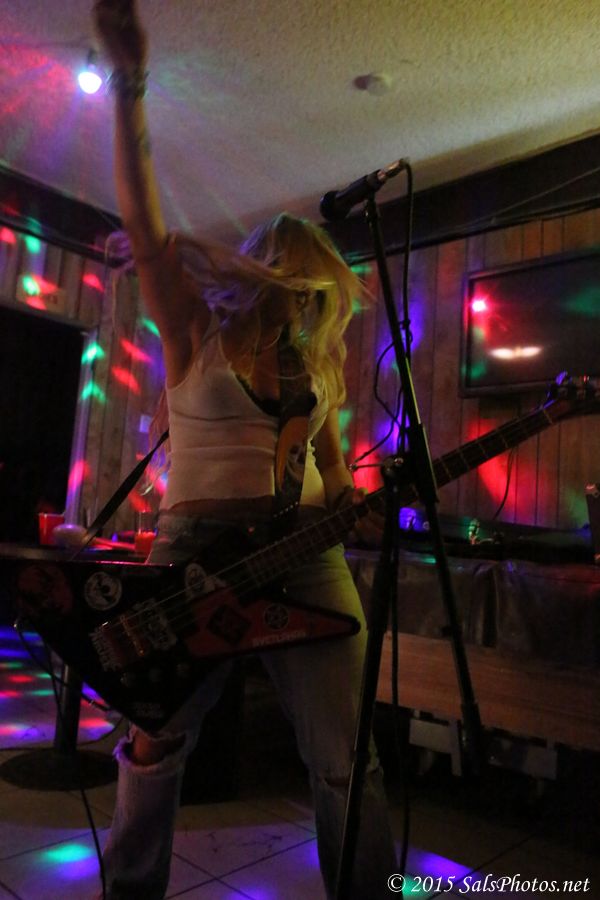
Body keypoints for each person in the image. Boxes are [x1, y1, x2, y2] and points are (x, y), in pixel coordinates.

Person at [93, 2, 397, 898]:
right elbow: (145, 220)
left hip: (306, 555)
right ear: (267, 273)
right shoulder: (195, 329)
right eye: (294, 284)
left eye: (314, 294)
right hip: (195, 552)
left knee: (345, 757)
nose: (304, 305)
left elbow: (331, 467)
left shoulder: (317, 366)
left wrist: (351, 499)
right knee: (155, 743)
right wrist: (130, 80)